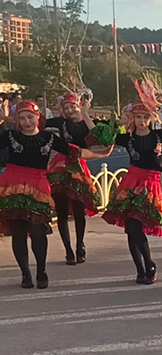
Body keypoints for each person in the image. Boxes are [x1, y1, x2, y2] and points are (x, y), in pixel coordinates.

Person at [0, 100, 108, 289]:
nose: (27, 121)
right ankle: (25, 274)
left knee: (38, 230)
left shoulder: (48, 139)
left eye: (30, 117)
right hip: (13, 184)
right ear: (17, 120)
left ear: (38, 118)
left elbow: (75, 152)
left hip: (38, 185)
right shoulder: (10, 136)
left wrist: (102, 154)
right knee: (18, 232)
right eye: (22, 118)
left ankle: (41, 271)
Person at [102, 101, 162, 285]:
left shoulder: (159, 135)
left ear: (151, 119)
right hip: (131, 182)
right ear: (133, 118)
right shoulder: (127, 138)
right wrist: (119, 121)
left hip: (150, 184)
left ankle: (149, 264)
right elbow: (101, 135)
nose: (142, 120)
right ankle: (141, 268)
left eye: (146, 117)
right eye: (138, 116)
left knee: (137, 226)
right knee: (131, 228)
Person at [45, 92, 101, 265]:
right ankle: (68, 249)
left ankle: (79, 246)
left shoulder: (87, 122)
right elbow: (38, 123)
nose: (69, 110)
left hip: (79, 166)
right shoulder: (61, 122)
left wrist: (85, 113)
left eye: (72, 107)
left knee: (79, 210)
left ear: (79, 105)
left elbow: (100, 136)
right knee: (61, 211)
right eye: (66, 108)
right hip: (60, 166)